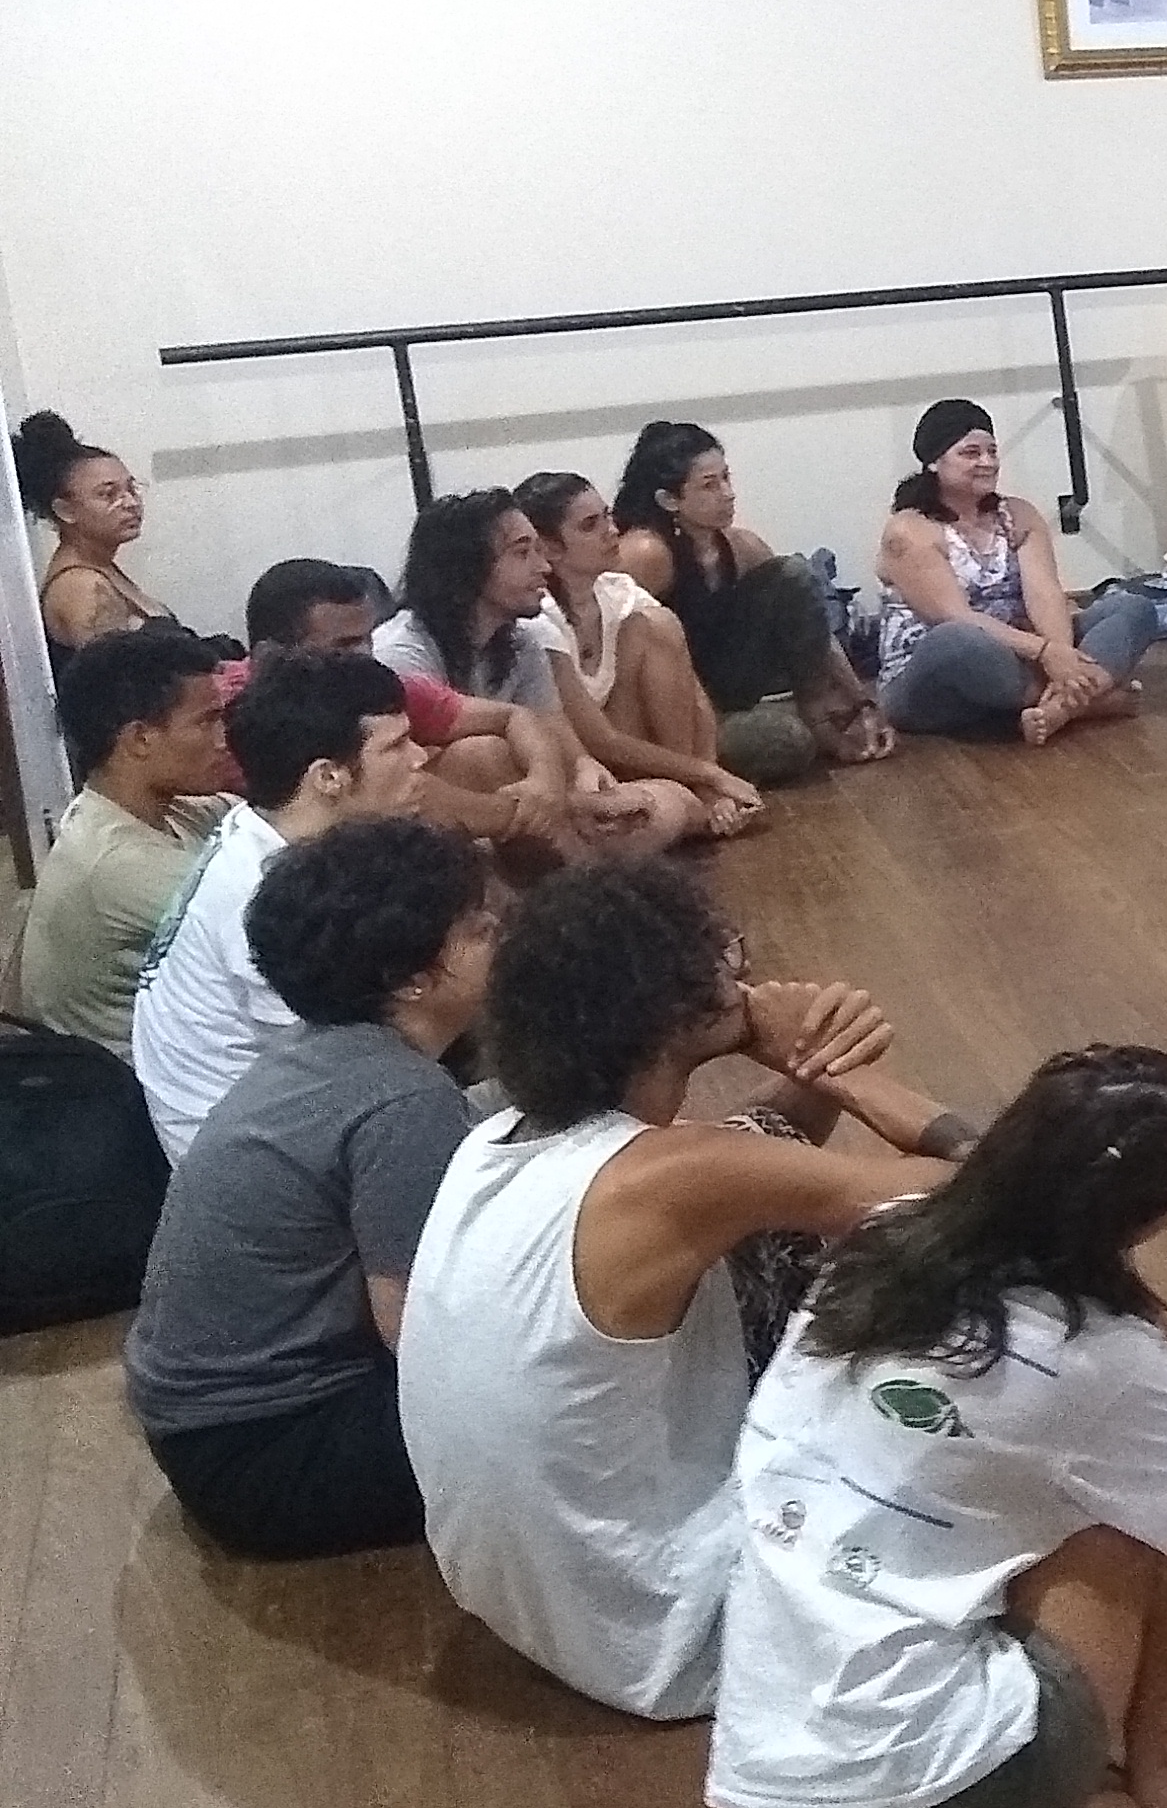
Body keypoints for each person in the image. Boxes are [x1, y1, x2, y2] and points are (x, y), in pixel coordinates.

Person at [705, 1047, 1167, 1808]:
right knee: (1149, 1502)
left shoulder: (881, 1239)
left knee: (1009, 1493)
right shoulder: (1108, 1360)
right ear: (1154, 1218)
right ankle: (1160, 1754)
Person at [401, 857, 976, 1719]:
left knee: (778, 1219)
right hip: (672, 1628)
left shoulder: (496, 1140)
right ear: (673, 1010)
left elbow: (754, 1157)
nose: (743, 977)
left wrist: (807, 1059)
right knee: (957, 1289)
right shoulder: (672, 1176)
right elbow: (995, 1192)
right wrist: (857, 1079)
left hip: (534, 1600)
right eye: (723, 959)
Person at [122, 819, 493, 1560]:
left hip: (201, 1430)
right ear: (413, 979)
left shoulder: (321, 1052)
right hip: (271, 1455)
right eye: (478, 931)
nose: (499, 940)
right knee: (577, 1398)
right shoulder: (403, 1099)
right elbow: (414, 1328)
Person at [133, 650, 429, 1165]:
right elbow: (348, 1058)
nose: (420, 758)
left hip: (279, 1101)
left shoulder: (269, 830)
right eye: (396, 746)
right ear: (328, 777)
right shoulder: (262, 895)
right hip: (252, 1156)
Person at [375, 490, 716, 854]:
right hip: (443, 830)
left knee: (674, 802)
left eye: (540, 550)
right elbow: (406, 786)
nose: (545, 568)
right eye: (523, 553)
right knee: (483, 752)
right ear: (466, 568)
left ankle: (594, 860)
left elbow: (558, 741)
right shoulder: (400, 653)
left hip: (534, 814)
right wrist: (559, 799)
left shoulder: (523, 640)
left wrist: (580, 784)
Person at [234, 555, 598, 861]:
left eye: (367, 639)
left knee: (477, 756)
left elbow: (513, 716)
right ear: (266, 657)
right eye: (343, 645)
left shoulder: (378, 686)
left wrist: (545, 783)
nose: (365, 654)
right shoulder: (219, 726)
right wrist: (518, 812)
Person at [612, 418, 890, 775]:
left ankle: (819, 715)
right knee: (788, 742)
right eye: (709, 485)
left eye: (726, 478)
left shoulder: (741, 545)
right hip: (675, 716)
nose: (728, 493)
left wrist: (862, 703)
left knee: (793, 573)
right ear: (668, 500)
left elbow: (812, 624)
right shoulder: (645, 553)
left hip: (729, 692)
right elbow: (615, 659)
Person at [874, 400, 1160, 745]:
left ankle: (1059, 707)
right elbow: (955, 616)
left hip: (1021, 655)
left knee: (1133, 607)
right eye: (971, 453)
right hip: (934, 676)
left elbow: (1045, 594)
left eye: (992, 451)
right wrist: (1044, 652)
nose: (987, 462)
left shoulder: (1018, 514)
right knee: (958, 640)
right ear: (934, 462)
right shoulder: (909, 529)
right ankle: (1091, 700)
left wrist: (1061, 654)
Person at [6, 626, 234, 1051]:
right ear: (139, 739)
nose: (224, 740)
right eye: (207, 721)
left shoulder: (172, 810)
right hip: (133, 1082)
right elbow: (277, 925)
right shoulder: (117, 860)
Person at [513, 468, 740, 782]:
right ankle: (684, 785)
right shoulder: (539, 616)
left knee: (657, 624)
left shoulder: (618, 589)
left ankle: (689, 785)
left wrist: (709, 767)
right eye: (590, 525)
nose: (612, 530)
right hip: (576, 761)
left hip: (631, 742)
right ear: (550, 548)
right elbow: (599, 740)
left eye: (607, 516)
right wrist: (707, 775)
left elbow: (692, 689)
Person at [16, 410, 182, 650]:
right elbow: (118, 672)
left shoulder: (100, 566)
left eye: (132, 489)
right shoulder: (82, 588)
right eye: (108, 494)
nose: (131, 503)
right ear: (65, 511)